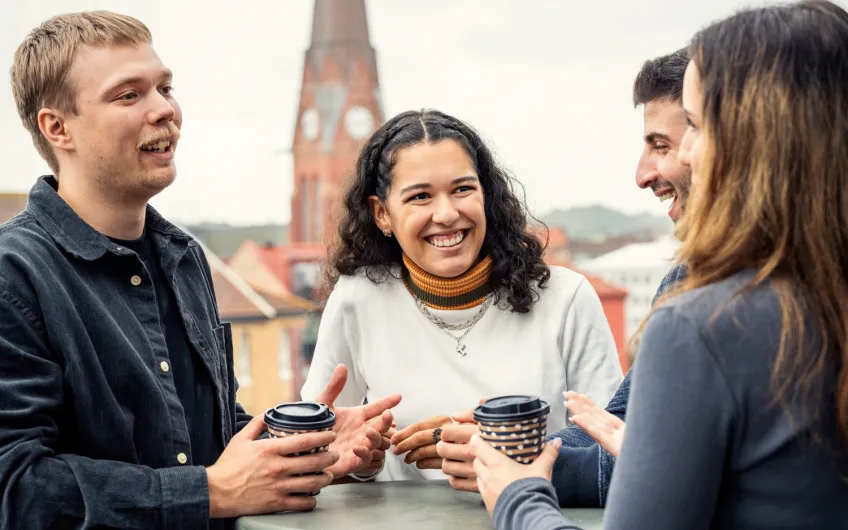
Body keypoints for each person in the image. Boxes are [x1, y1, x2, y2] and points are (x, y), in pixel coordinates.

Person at [0, 12, 398, 530]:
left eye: (165, 87)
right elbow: (16, 486)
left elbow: (204, 439)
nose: (164, 110)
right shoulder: (15, 276)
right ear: (58, 127)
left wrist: (301, 453)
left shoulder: (184, 257)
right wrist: (210, 492)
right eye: (129, 95)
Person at [473, 1, 848, 528]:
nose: (685, 155)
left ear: (755, 141)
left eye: (693, 126)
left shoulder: (704, 327)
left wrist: (517, 496)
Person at [301, 108, 624, 482]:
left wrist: (506, 454)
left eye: (462, 189)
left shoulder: (566, 299)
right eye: (420, 196)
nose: (447, 213)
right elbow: (321, 451)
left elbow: (612, 452)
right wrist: (359, 466)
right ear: (382, 214)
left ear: (486, 195)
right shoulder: (357, 299)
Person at [437, 48, 691, 507]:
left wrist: (519, 479)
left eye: (663, 145)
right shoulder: (687, 279)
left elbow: (679, 471)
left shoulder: (732, 300)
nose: (641, 173)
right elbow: (619, 430)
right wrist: (509, 453)